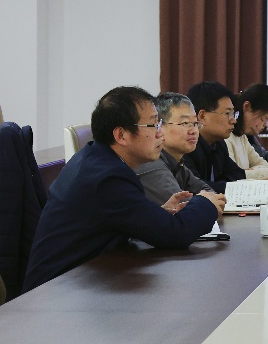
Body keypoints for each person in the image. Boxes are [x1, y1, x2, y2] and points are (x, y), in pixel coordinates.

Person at [23, 86, 225, 292]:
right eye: (153, 125)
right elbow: (175, 234)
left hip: (83, 282)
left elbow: (121, 222)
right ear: (121, 135)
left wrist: (159, 214)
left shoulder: (96, 159)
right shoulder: (107, 178)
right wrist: (205, 203)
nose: (160, 133)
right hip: (55, 293)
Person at [135, 92, 223, 208]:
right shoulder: (151, 163)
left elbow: (208, 191)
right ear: (159, 126)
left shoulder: (177, 162)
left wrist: (208, 200)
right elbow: (185, 208)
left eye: (195, 123)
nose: (194, 131)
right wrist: (207, 201)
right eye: (185, 123)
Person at [184, 81, 248, 189]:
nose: (233, 121)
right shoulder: (187, 145)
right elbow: (195, 187)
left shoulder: (219, 144)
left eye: (233, 114)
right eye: (227, 113)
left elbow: (238, 174)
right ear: (202, 116)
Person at [227, 84, 268, 184]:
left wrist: (249, 172)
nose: (264, 125)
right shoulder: (226, 137)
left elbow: (263, 163)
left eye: (267, 121)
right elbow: (233, 176)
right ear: (247, 107)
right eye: (263, 119)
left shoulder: (242, 137)